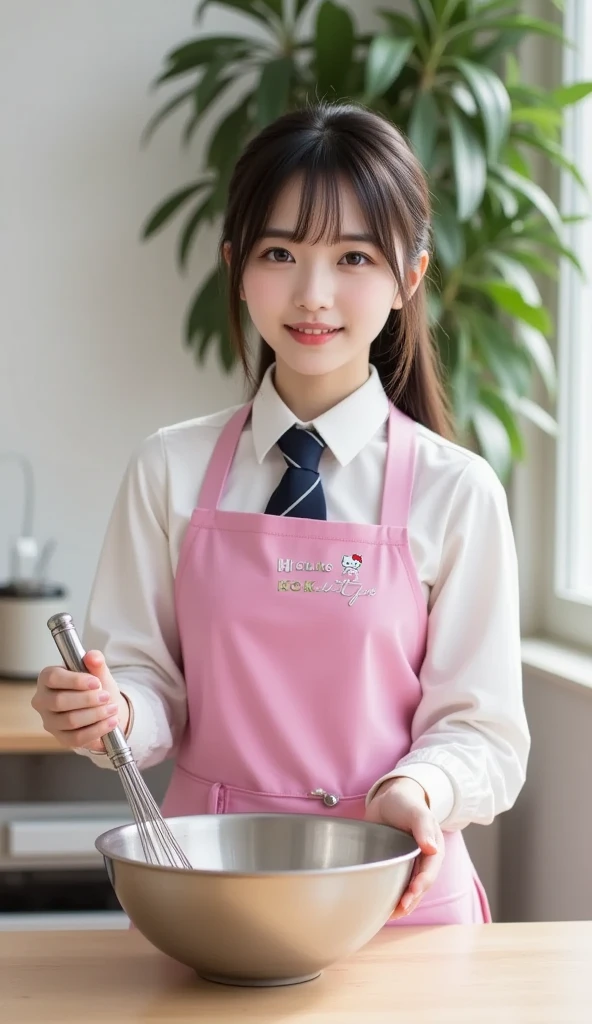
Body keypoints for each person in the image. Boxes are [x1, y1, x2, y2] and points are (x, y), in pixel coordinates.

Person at [32, 101, 530, 925]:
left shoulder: (459, 491)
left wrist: (416, 788)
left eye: (354, 257)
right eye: (280, 252)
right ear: (236, 265)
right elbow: (152, 685)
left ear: (409, 277)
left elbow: (484, 735)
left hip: (398, 895)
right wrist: (113, 713)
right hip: (214, 892)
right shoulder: (170, 468)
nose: (313, 293)